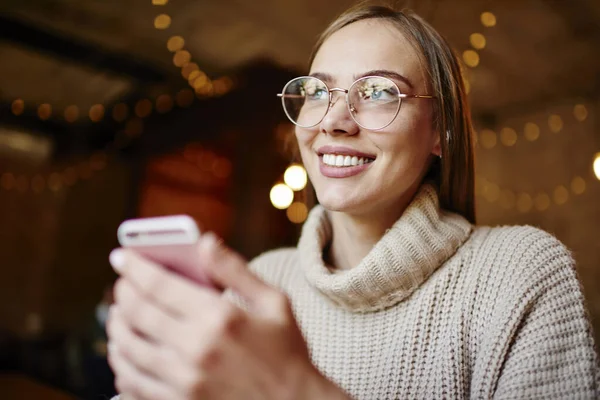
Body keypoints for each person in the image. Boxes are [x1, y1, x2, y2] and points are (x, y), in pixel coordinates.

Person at [105, 4, 600, 399]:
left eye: (380, 91)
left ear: (441, 133)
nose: (334, 120)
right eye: (317, 91)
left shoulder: (520, 274)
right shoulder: (262, 280)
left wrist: (294, 391)